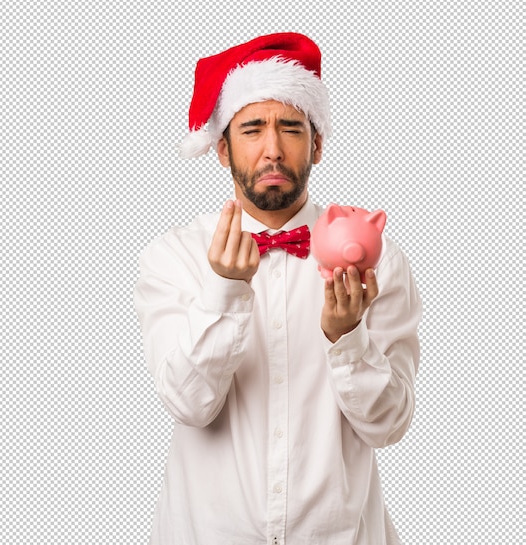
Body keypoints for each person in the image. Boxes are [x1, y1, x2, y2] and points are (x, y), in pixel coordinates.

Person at [134, 32, 422, 545]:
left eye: (290, 128)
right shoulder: (172, 258)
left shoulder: (377, 260)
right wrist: (223, 290)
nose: (272, 149)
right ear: (222, 150)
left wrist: (348, 337)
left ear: (316, 143)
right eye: (251, 130)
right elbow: (187, 403)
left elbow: (389, 426)